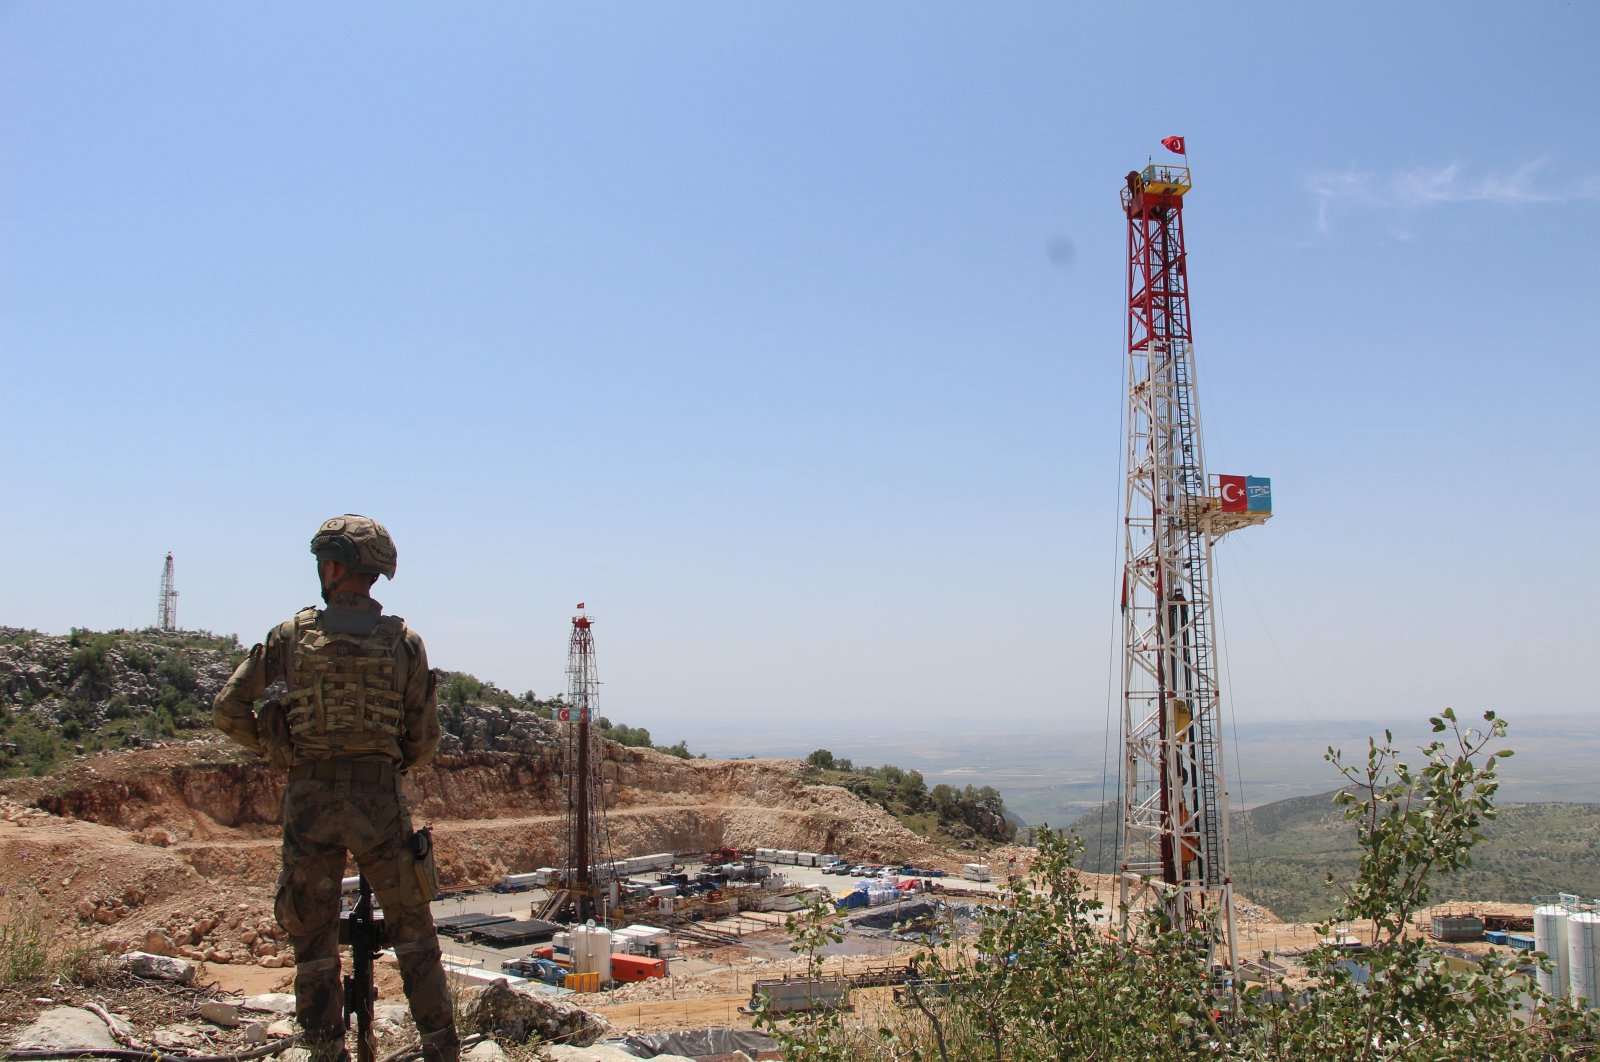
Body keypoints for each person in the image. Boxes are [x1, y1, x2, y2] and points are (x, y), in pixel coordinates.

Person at [214, 515, 458, 1062]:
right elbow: (423, 740)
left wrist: (279, 750)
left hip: (309, 803)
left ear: (334, 567)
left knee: (313, 936)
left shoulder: (290, 636)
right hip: (379, 803)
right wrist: (385, 765)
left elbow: (228, 708)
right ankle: (441, 1048)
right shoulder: (405, 643)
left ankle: (326, 1051)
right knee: (414, 933)